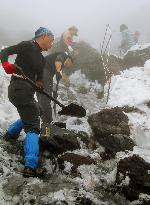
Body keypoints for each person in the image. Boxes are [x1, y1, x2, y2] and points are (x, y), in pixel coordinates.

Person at [0, 27, 54, 177]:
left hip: (27, 92)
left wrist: (39, 84)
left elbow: (39, 78)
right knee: (33, 126)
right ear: (43, 36)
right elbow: (4, 52)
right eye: (52, 39)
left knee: (39, 111)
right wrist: (6, 65)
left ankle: (10, 135)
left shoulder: (42, 59)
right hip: (18, 88)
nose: (52, 43)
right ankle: (30, 166)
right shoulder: (27, 45)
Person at [37, 52, 73, 124]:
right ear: (69, 60)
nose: (68, 67)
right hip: (44, 71)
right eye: (70, 65)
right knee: (46, 98)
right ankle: (49, 122)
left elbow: (52, 81)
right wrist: (58, 72)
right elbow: (58, 61)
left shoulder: (57, 63)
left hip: (37, 73)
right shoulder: (63, 55)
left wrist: (54, 91)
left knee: (41, 99)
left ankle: (45, 123)